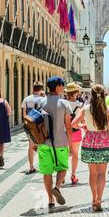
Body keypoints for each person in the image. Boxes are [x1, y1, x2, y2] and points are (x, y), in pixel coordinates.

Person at [72, 85, 109, 212]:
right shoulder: (107, 109)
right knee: (102, 173)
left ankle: (93, 199)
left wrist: (83, 126)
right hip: (103, 142)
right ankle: (99, 199)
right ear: (103, 95)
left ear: (91, 95)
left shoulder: (86, 109)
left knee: (92, 173)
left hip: (89, 142)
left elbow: (73, 124)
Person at [38, 77, 73, 209]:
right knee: (63, 168)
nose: (63, 88)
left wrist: (34, 143)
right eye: (62, 85)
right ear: (57, 87)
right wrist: (70, 144)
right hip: (60, 142)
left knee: (47, 172)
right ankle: (57, 187)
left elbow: (34, 123)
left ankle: (50, 199)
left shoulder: (41, 102)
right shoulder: (64, 103)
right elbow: (68, 126)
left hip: (43, 143)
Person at [21, 81, 44, 174]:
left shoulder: (26, 99)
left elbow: (24, 114)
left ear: (33, 88)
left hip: (30, 126)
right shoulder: (43, 99)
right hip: (41, 126)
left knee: (30, 146)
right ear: (41, 89)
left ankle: (31, 167)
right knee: (42, 146)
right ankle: (43, 166)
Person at [65, 83, 83, 184]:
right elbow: (81, 120)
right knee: (75, 154)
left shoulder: (63, 103)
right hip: (76, 131)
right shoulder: (79, 105)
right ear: (75, 93)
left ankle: (62, 176)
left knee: (64, 154)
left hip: (64, 132)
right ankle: (73, 175)